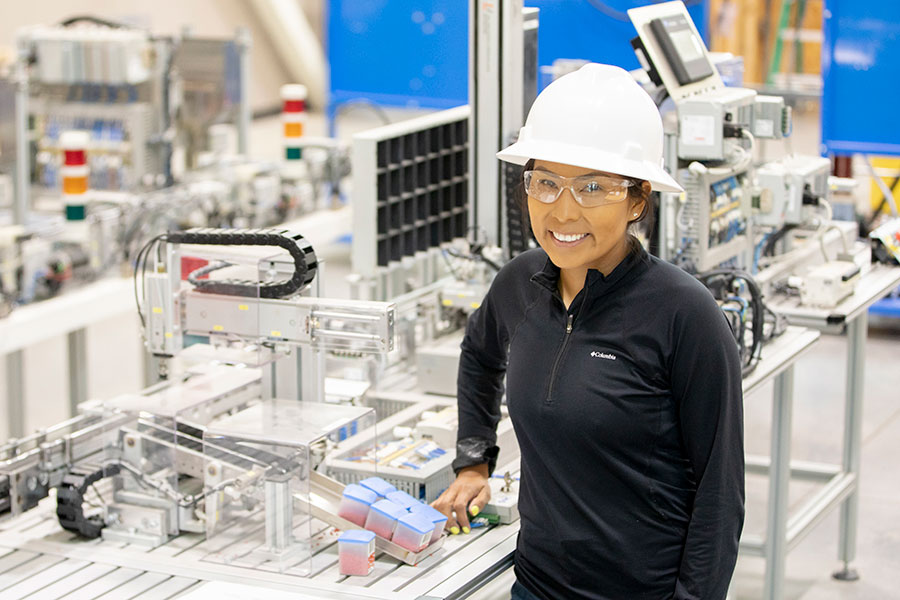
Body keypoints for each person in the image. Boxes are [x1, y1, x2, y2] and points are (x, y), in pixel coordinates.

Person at [432, 63, 745, 600]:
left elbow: (720, 493)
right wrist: (473, 461)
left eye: (593, 188)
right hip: (536, 586)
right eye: (546, 183)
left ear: (638, 200)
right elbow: (480, 356)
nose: (563, 211)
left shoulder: (684, 314)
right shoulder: (520, 285)